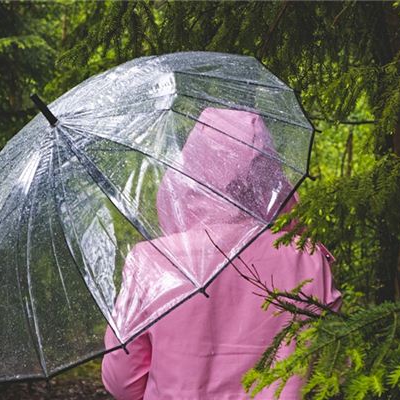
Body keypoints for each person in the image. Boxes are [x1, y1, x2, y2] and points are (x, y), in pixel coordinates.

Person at [101, 107, 341, 400]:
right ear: (269, 172)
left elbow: (122, 383)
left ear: (192, 168)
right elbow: (331, 364)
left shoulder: (153, 263)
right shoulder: (307, 257)